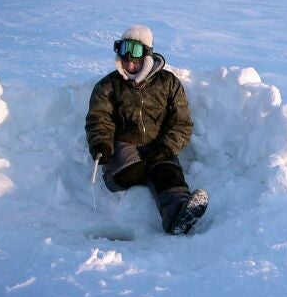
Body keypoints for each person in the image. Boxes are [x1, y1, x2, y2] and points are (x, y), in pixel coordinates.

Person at [86, 25, 208, 234]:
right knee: (127, 174)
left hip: (158, 144)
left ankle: (177, 215)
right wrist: (101, 143)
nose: (130, 61)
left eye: (136, 53)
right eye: (125, 53)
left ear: (147, 55)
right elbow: (99, 119)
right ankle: (144, 172)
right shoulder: (108, 86)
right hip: (125, 143)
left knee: (167, 171)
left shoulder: (168, 83)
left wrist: (168, 147)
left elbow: (181, 122)